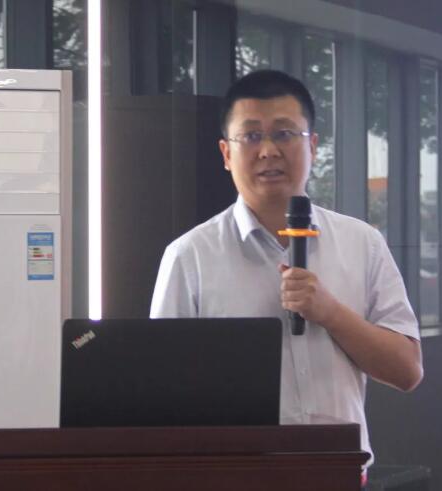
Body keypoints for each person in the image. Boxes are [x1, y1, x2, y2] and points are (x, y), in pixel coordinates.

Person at [150, 69, 423, 465]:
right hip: (236, 476)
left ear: (312, 145)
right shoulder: (189, 256)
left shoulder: (362, 242)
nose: (268, 151)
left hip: (339, 475)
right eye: (251, 136)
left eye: (283, 134)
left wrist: (330, 313)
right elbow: (161, 393)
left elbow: (407, 370)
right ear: (226, 154)